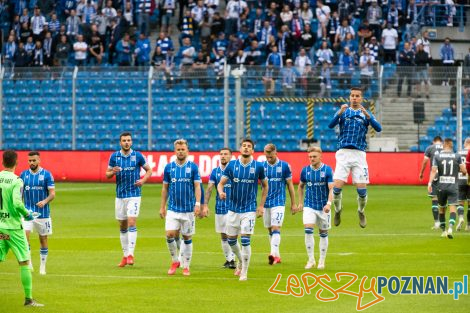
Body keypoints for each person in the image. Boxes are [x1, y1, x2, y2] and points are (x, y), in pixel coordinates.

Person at [328, 87, 382, 228]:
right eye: (352, 95)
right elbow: (330, 125)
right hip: (343, 153)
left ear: (361, 98)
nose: (354, 98)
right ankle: (338, 210)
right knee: (337, 189)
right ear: (349, 97)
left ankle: (361, 211)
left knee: (362, 191)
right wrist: (339, 113)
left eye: (357, 96)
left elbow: (378, 128)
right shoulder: (343, 111)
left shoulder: (366, 113)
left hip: (359, 154)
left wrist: (368, 116)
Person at [217, 138, 268, 281]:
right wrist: (221, 192)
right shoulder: (232, 165)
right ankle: (240, 260)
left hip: (249, 209)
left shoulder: (258, 166)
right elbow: (221, 184)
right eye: (244, 146)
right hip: (233, 209)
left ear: (253, 150)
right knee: (231, 241)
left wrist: (261, 206)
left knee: (245, 240)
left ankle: (244, 272)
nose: (246, 148)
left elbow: (265, 186)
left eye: (249, 146)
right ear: (240, 149)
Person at [0, 150, 44, 307]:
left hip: (0, 228)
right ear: (16, 162)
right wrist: (28, 215)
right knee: (24, 261)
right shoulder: (17, 181)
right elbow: (18, 203)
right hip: (13, 228)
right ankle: (29, 299)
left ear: (3, 162)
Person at [105, 132, 152, 267]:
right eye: (124, 140)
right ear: (120, 142)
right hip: (120, 196)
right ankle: (125, 256)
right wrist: (113, 171)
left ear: (131, 142)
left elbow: (149, 170)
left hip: (134, 195)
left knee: (131, 222)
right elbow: (107, 174)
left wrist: (143, 180)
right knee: (122, 225)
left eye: (129, 140)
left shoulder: (137, 155)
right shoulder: (114, 156)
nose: (126, 142)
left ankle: (131, 254)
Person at [160, 139, 201, 276]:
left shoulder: (193, 167)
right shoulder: (169, 167)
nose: (180, 151)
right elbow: (165, 188)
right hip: (173, 208)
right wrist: (162, 207)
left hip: (189, 209)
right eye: (178, 149)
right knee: (169, 235)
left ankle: (186, 266)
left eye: (183, 149)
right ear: (174, 151)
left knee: (187, 237)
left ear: (187, 151)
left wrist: (198, 204)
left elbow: (197, 186)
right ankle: (174, 260)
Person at [297, 146, 333, 270]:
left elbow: (331, 189)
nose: (311, 159)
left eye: (314, 156)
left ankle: (322, 260)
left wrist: (328, 203)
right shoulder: (305, 170)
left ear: (320, 156)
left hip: (323, 207)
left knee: (323, 233)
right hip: (309, 205)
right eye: (310, 157)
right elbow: (300, 186)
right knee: (308, 230)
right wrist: (300, 202)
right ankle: (311, 260)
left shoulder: (327, 170)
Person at [20, 151, 55, 275]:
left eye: (34, 160)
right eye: (29, 160)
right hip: (27, 213)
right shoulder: (23, 175)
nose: (31, 163)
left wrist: (44, 201)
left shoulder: (47, 175)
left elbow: (52, 194)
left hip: (43, 213)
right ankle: (29, 264)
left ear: (39, 160)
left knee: (43, 239)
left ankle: (42, 267)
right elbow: (19, 195)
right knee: (25, 237)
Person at [262, 143, 296, 265]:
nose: (268, 156)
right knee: (270, 229)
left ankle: (272, 254)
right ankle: (277, 256)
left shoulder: (284, 166)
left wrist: (293, 203)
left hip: (279, 202)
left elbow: (290, 185)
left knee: (276, 227)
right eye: (266, 153)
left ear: (275, 152)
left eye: (270, 153)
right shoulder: (261, 167)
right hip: (266, 203)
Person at [428, 138, 467, 239]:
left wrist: (429, 183)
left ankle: (444, 230)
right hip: (453, 186)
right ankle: (450, 228)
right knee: (453, 208)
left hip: (441, 187)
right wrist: (458, 170)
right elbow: (464, 171)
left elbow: (433, 171)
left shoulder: (437, 156)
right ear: (451, 145)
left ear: (444, 145)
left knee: (442, 209)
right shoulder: (457, 156)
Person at [204, 148, 236, 269]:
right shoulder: (215, 171)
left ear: (231, 156)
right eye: (221, 154)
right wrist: (205, 205)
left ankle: (233, 259)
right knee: (223, 235)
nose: (223, 156)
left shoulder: (235, 170)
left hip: (233, 208)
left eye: (226, 154)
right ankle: (229, 259)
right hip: (220, 208)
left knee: (231, 235)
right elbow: (209, 189)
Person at [419, 136, 443, 229]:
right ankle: (445, 222)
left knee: (434, 199)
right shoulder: (445, 147)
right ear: (441, 141)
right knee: (444, 201)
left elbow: (425, 161)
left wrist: (421, 173)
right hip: (445, 176)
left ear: (433, 141)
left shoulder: (430, 148)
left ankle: (437, 223)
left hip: (435, 176)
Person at [457, 138, 470, 231]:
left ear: (465, 143)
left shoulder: (458, 153)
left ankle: (461, 218)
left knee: (460, 201)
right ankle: (468, 225)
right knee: (469, 203)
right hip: (469, 179)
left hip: (460, 180)